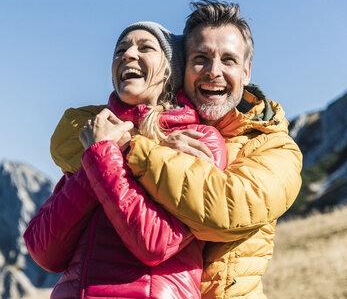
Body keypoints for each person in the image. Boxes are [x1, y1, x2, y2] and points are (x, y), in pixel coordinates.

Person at [24, 21, 228, 298]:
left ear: (170, 70)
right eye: (120, 50)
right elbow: (42, 250)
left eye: (145, 48)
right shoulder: (96, 136)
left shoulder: (199, 139)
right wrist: (100, 153)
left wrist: (108, 155)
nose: (127, 55)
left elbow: (155, 243)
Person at [119, 0, 303, 298]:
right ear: (180, 68)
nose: (213, 71)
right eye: (200, 58)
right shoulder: (152, 122)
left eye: (228, 60)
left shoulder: (275, 147)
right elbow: (69, 134)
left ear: (246, 72)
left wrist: (133, 150)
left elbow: (224, 214)